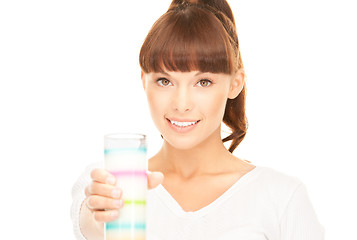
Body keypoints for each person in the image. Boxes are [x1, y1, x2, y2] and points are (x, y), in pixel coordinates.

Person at [71, 0, 325, 239]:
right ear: (143, 81)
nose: (182, 104)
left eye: (203, 82)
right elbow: (91, 224)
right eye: (164, 81)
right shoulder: (109, 183)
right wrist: (100, 219)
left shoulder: (282, 197)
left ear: (235, 83)